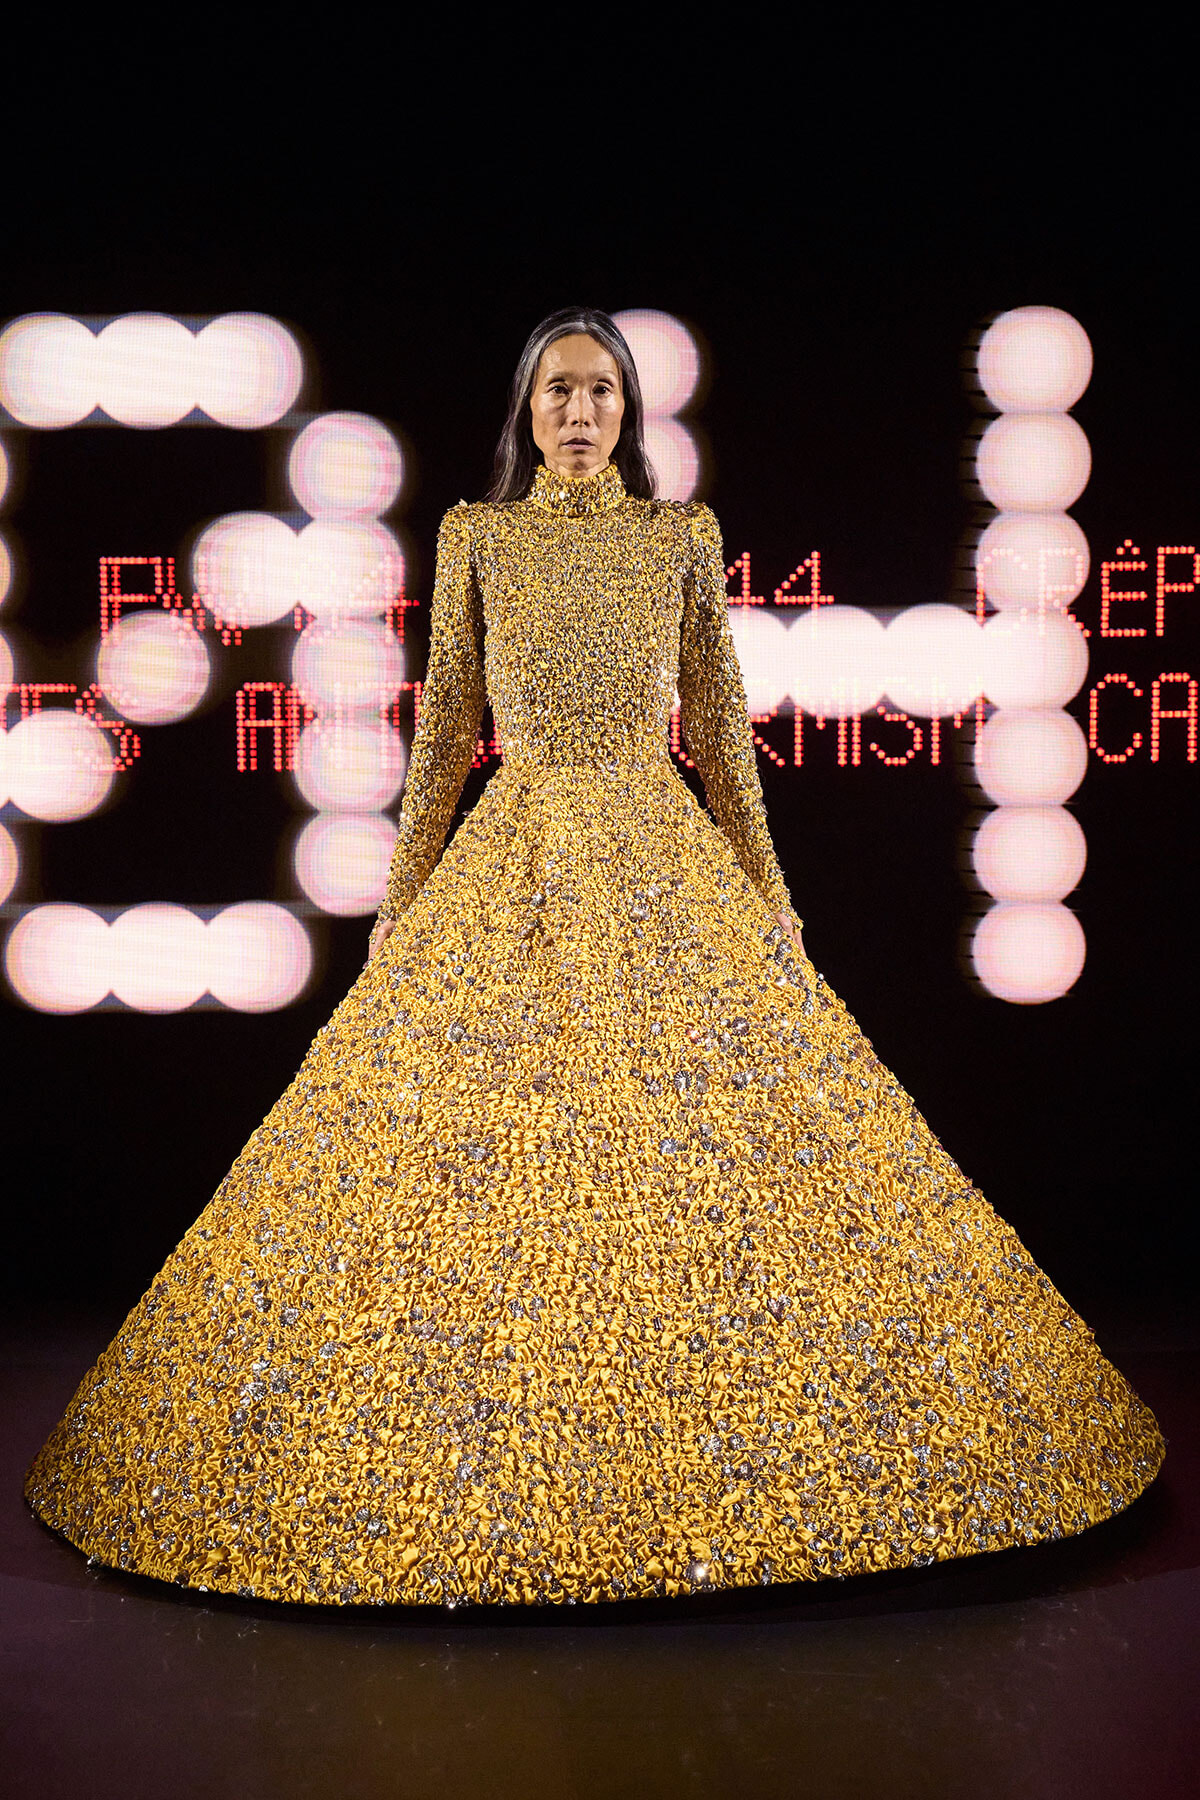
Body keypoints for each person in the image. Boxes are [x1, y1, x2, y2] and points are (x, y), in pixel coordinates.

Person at [25, 307, 1163, 1607]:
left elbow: (720, 725)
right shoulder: (478, 535)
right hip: (513, 855)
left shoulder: (678, 537)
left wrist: (767, 890)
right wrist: (403, 902)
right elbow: (447, 728)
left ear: (629, 410)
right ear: (529, 409)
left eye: (602, 392)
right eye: (559, 391)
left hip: (660, 853)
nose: (580, 412)